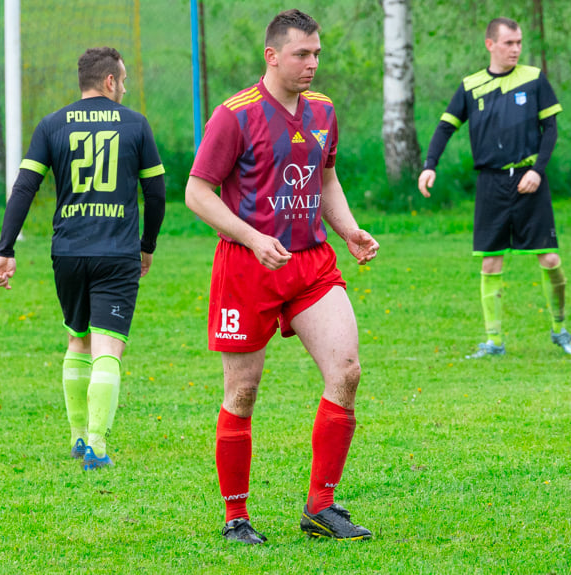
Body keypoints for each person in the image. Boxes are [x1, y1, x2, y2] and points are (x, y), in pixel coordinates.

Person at [185, 9, 378, 545]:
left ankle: (321, 506)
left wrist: (350, 230)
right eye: (301, 54)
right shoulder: (234, 115)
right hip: (247, 269)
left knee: (347, 370)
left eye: (316, 53)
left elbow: (327, 176)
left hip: (311, 264)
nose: (312, 63)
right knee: (242, 391)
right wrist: (250, 236)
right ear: (272, 56)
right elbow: (197, 192)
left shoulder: (324, 110)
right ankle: (236, 516)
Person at [0, 47, 166, 471]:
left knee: (77, 338)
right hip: (116, 252)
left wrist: (5, 248)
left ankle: (75, 438)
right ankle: (98, 447)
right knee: (109, 347)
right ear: (109, 81)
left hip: (67, 251)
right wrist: (147, 245)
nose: (124, 88)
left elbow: (24, 189)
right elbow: (156, 195)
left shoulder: (52, 124)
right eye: (122, 80)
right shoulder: (136, 125)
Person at [418, 18, 571, 359]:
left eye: (519, 42)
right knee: (490, 264)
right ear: (490, 44)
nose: (516, 49)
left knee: (550, 258)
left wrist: (537, 170)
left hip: (529, 182)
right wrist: (429, 165)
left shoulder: (534, 79)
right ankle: (494, 342)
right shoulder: (471, 85)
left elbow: (550, 129)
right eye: (509, 43)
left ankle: (560, 330)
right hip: (491, 184)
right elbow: (445, 127)